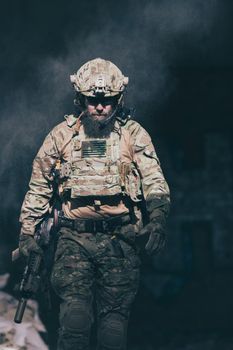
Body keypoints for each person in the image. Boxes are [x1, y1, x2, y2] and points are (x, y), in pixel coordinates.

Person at [18, 58, 170, 350]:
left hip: (120, 239)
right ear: (80, 99)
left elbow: (154, 181)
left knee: (113, 329)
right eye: (92, 100)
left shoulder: (132, 134)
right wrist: (27, 232)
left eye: (108, 101)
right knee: (75, 320)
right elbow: (38, 186)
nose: (100, 107)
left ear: (118, 100)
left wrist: (158, 219)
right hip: (74, 238)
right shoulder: (62, 136)